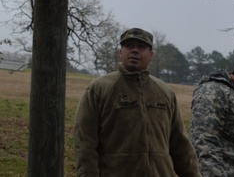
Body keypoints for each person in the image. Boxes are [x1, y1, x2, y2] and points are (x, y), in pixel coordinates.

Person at [73, 28, 200, 177]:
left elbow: (181, 146)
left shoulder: (165, 93)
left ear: (151, 55)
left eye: (141, 47)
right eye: (129, 46)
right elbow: (85, 144)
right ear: (121, 53)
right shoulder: (99, 89)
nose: (134, 50)